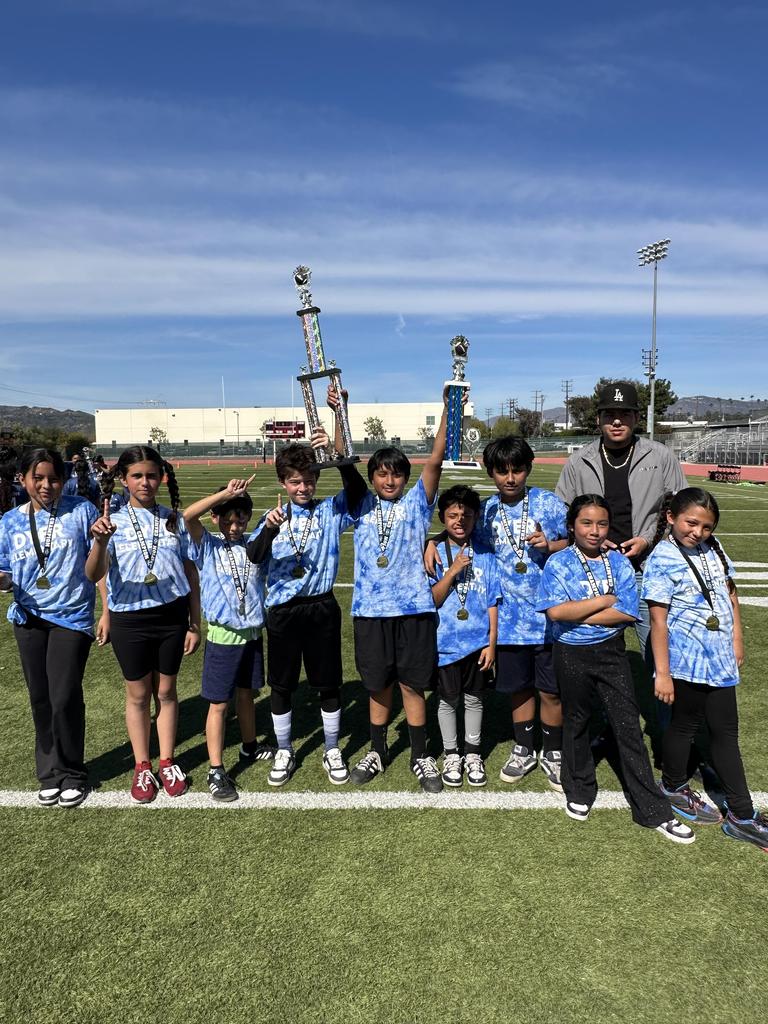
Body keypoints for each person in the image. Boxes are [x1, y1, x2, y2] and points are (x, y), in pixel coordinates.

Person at [535, 493, 694, 843]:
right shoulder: (558, 563)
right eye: (586, 523)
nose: (594, 531)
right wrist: (602, 601)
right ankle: (578, 789)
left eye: (602, 524)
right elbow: (555, 613)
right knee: (576, 721)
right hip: (570, 654)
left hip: (611, 653)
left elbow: (626, 613)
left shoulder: (619, 563)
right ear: (572, 527)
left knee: (627, 725)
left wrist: (583, 610)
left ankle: (652, 809)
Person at [643, 488, 768, 851]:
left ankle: (740, 816)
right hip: (686, 662)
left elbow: (730, 593)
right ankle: (676, 787)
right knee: (685, 726)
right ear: (671, 518)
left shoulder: (714, 548)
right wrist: (662, 672)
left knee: (726, 733)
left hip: (719, 658)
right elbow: (658, 620)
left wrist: (737, 639)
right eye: (691, 523)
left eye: (707, 526)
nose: (698, 532)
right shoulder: (663, 557)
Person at [246, 426, 366, 787]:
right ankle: (284, 748)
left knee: (328, 684)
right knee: (282, 685)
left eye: (310, 480)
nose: (303, 488)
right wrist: (268, 530)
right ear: (284, 482)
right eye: (296, 481)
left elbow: (358, 492)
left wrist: (334, 457)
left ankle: (331, 748)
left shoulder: (330, 510)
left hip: (321, 607)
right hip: (284, 611)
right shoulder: (273, 516)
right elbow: (254, 556)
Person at [347, 389, 449, 793]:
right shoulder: (360, 505)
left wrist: (448, 408)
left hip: (412, 612)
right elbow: (343, 458)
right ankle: (377, 749)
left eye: (396, 474)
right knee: (378, 686)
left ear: (405, 478)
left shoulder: (417, 505)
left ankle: (421, 755)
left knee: (412, 685)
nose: (389, 480)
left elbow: (437, 458)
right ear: (373, 478)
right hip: (370, 612)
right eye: (382, 474)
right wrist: (341, 410)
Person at [0, 448, 111, 808]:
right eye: (39, 477)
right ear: (23, 479)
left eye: (54, 478)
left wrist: (105, 610)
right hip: (28, 618)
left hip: (72, 617)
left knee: (64, 696)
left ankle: (73, 772)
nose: (47, 485)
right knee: (40, 698)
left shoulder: (82, 510)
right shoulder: (9, 522)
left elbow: (98, 569)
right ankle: (49, 772)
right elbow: (5, 576)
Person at [90, 445, 201, 804]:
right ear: (123, 479)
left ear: (161, 477)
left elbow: (190, 573)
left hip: (171, 616)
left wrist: (194, 623)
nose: (145, 482)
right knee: (138, 695)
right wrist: (100, 543)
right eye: (137, 475)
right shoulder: (112, 521)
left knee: (166, 693)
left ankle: (167, 760)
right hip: (129, 619)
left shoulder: (174, 519)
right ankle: (142, 764)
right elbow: (95, 574)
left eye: (151, 475)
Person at [554, 381, 687, 661]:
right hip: (592, 571)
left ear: (637, 418)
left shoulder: (660, 456)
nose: (617, 421)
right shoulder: (579, 462)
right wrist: (593, 543)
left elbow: (680, 511)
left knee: (657, 654)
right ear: (598, 419)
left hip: (647, 569)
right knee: (589, 653)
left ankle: (658, 705)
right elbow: (563, 515)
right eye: (609, 414)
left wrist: (647, 539)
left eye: (625, 414)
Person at [184, 477, 275, 802]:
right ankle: (216, 768)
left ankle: (249, 747)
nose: (235, 526)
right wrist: (225, 494)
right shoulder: (207, 545)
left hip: (252, 634)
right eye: (228, 519)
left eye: (240, 519)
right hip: (223, 638)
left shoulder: (252, 546)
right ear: (217, 519)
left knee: (247, 695)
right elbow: (187, 517)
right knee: (219, 705)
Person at [429, 485, 501, 788]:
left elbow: (492, 601)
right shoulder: (432, 552)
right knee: (447, 701)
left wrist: (492, 642)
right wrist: (452, 571)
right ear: (443, 517)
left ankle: (472, 753)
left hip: (477, 642)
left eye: (467, 515)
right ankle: (451, 753)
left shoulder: (485, 553)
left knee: (474, 699)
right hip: (444, 643)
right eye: (453, 515)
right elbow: (432, 599)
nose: (460, 520)